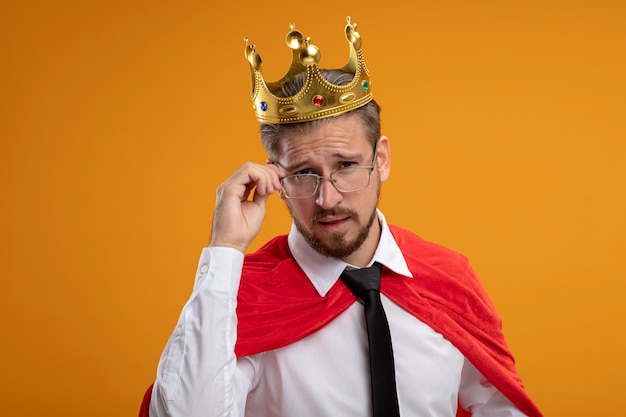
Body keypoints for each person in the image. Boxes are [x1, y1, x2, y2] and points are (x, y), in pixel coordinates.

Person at [140, 17, 542, 417]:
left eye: (346, 165)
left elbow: (502, 407)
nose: (327, 198)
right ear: (275, 176)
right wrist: (225, 249)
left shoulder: (448, 278)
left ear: (380, 160)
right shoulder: (241, 297)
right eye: (303, 173)